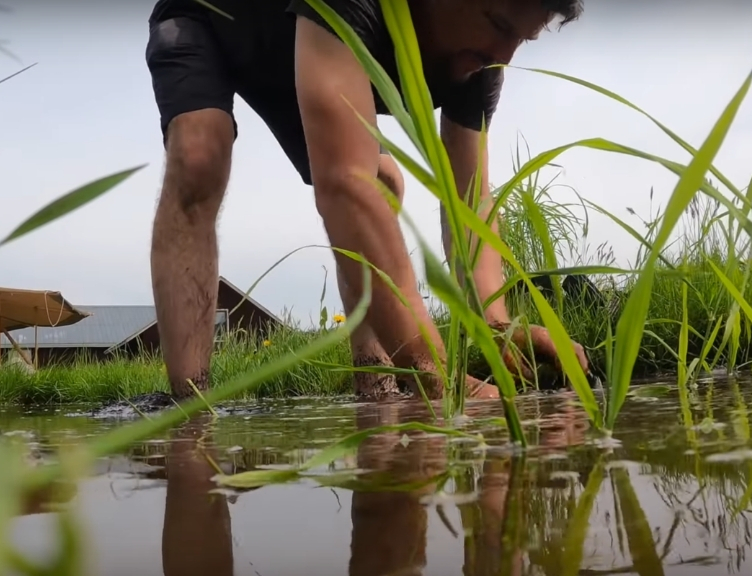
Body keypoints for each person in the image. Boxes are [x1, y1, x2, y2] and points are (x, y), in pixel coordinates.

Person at [145, 0, 590, 402]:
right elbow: (343, 186)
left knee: (384, 182)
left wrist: (498, 326)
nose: (504, 54)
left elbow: (470, 199)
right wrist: (433, 369)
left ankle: (376, 383)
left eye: (523, 38)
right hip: (209, 19)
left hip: (309, 56)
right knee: (199, 154)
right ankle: (190, 406)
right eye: (497, 23)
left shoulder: (482, 62)